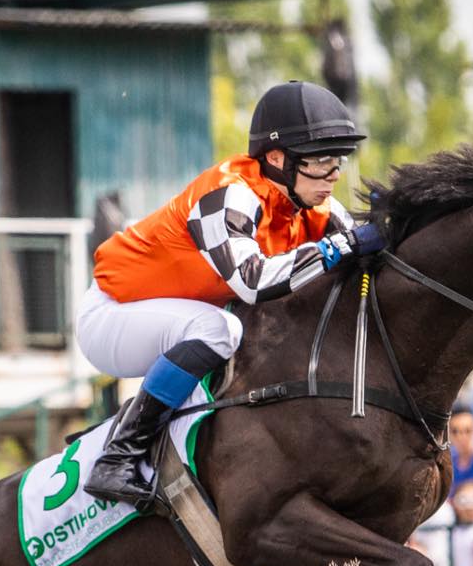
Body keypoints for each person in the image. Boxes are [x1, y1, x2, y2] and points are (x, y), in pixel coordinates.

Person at [78, 80, 378, 507]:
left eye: (339, 160)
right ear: (277, 158)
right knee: (219, 328)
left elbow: (361, 251)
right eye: (322, 160)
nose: (334, 174)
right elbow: (253, 283)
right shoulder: (228, 195)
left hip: (169, 316)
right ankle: (118, 456)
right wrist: (333, 249)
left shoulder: (312, 203)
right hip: (113, 315)